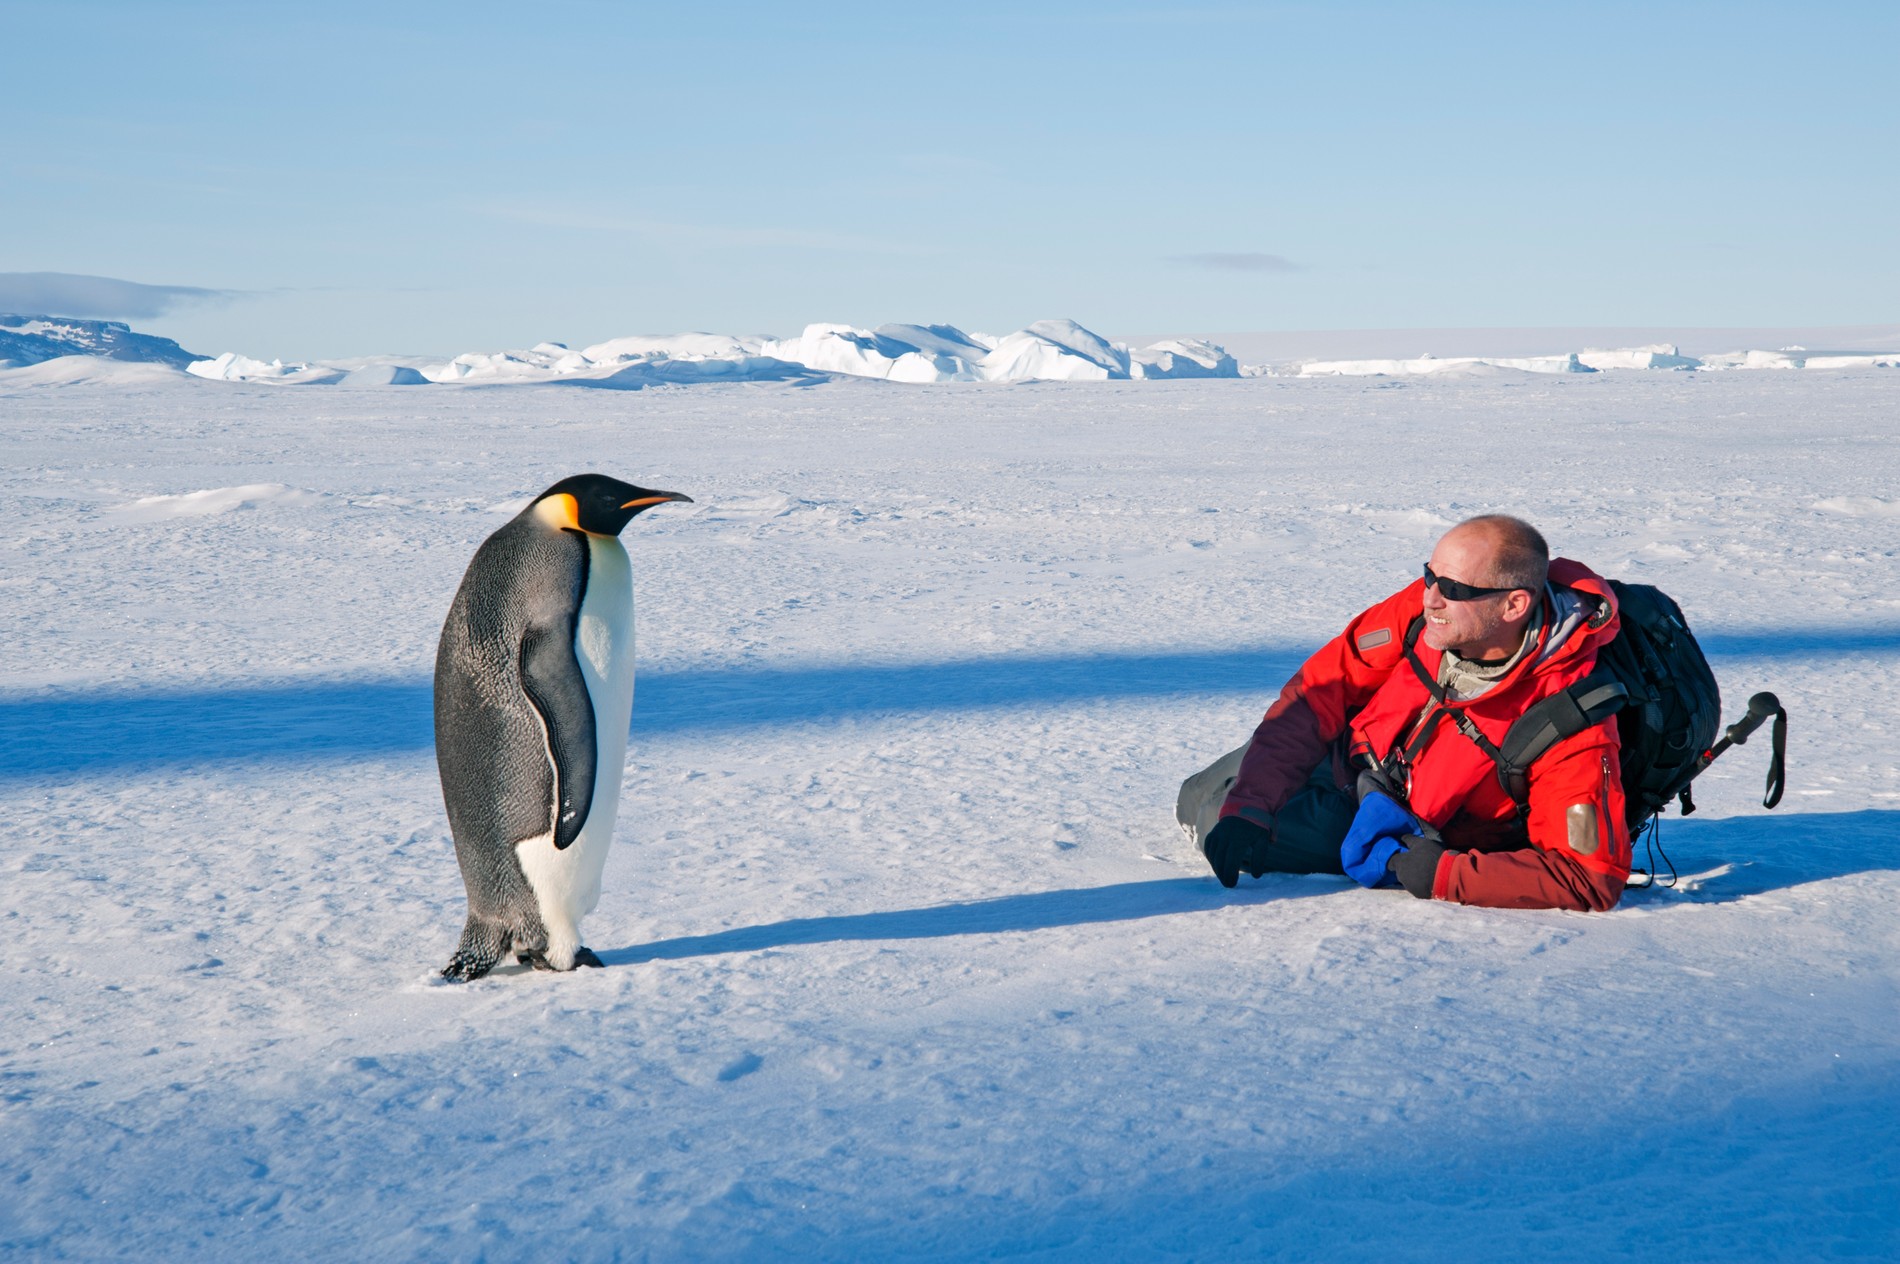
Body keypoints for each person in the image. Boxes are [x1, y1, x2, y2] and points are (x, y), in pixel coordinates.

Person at [1181, 515, 1629, 911]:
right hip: (1350, 759)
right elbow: (1319, 693)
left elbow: (1589, 877)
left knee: (1211, 819)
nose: (1430, 597)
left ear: (1514, 604)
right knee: (1201, 799)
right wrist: (1253, 805)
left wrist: (1442, 874)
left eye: (1454, 589)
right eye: (1429, 576)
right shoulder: (1423, 613)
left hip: (1400, 824)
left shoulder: (1569, 719)